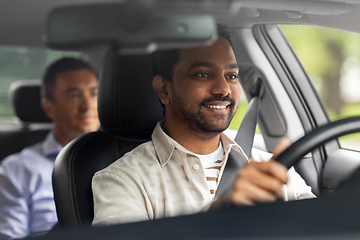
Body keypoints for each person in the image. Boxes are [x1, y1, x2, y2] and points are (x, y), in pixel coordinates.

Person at [92, 24, 315, 226]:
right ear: (164, 89)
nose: (224, 89)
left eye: (232, 75)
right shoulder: (122, 180)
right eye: (203, 74)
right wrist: (220, 213)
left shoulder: (268, 168)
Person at [0, 58, 100, 239]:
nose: (87, 106)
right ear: (49, 108)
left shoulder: (125, 158)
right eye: (74, 95)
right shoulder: (17, 169)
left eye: (94, 94)